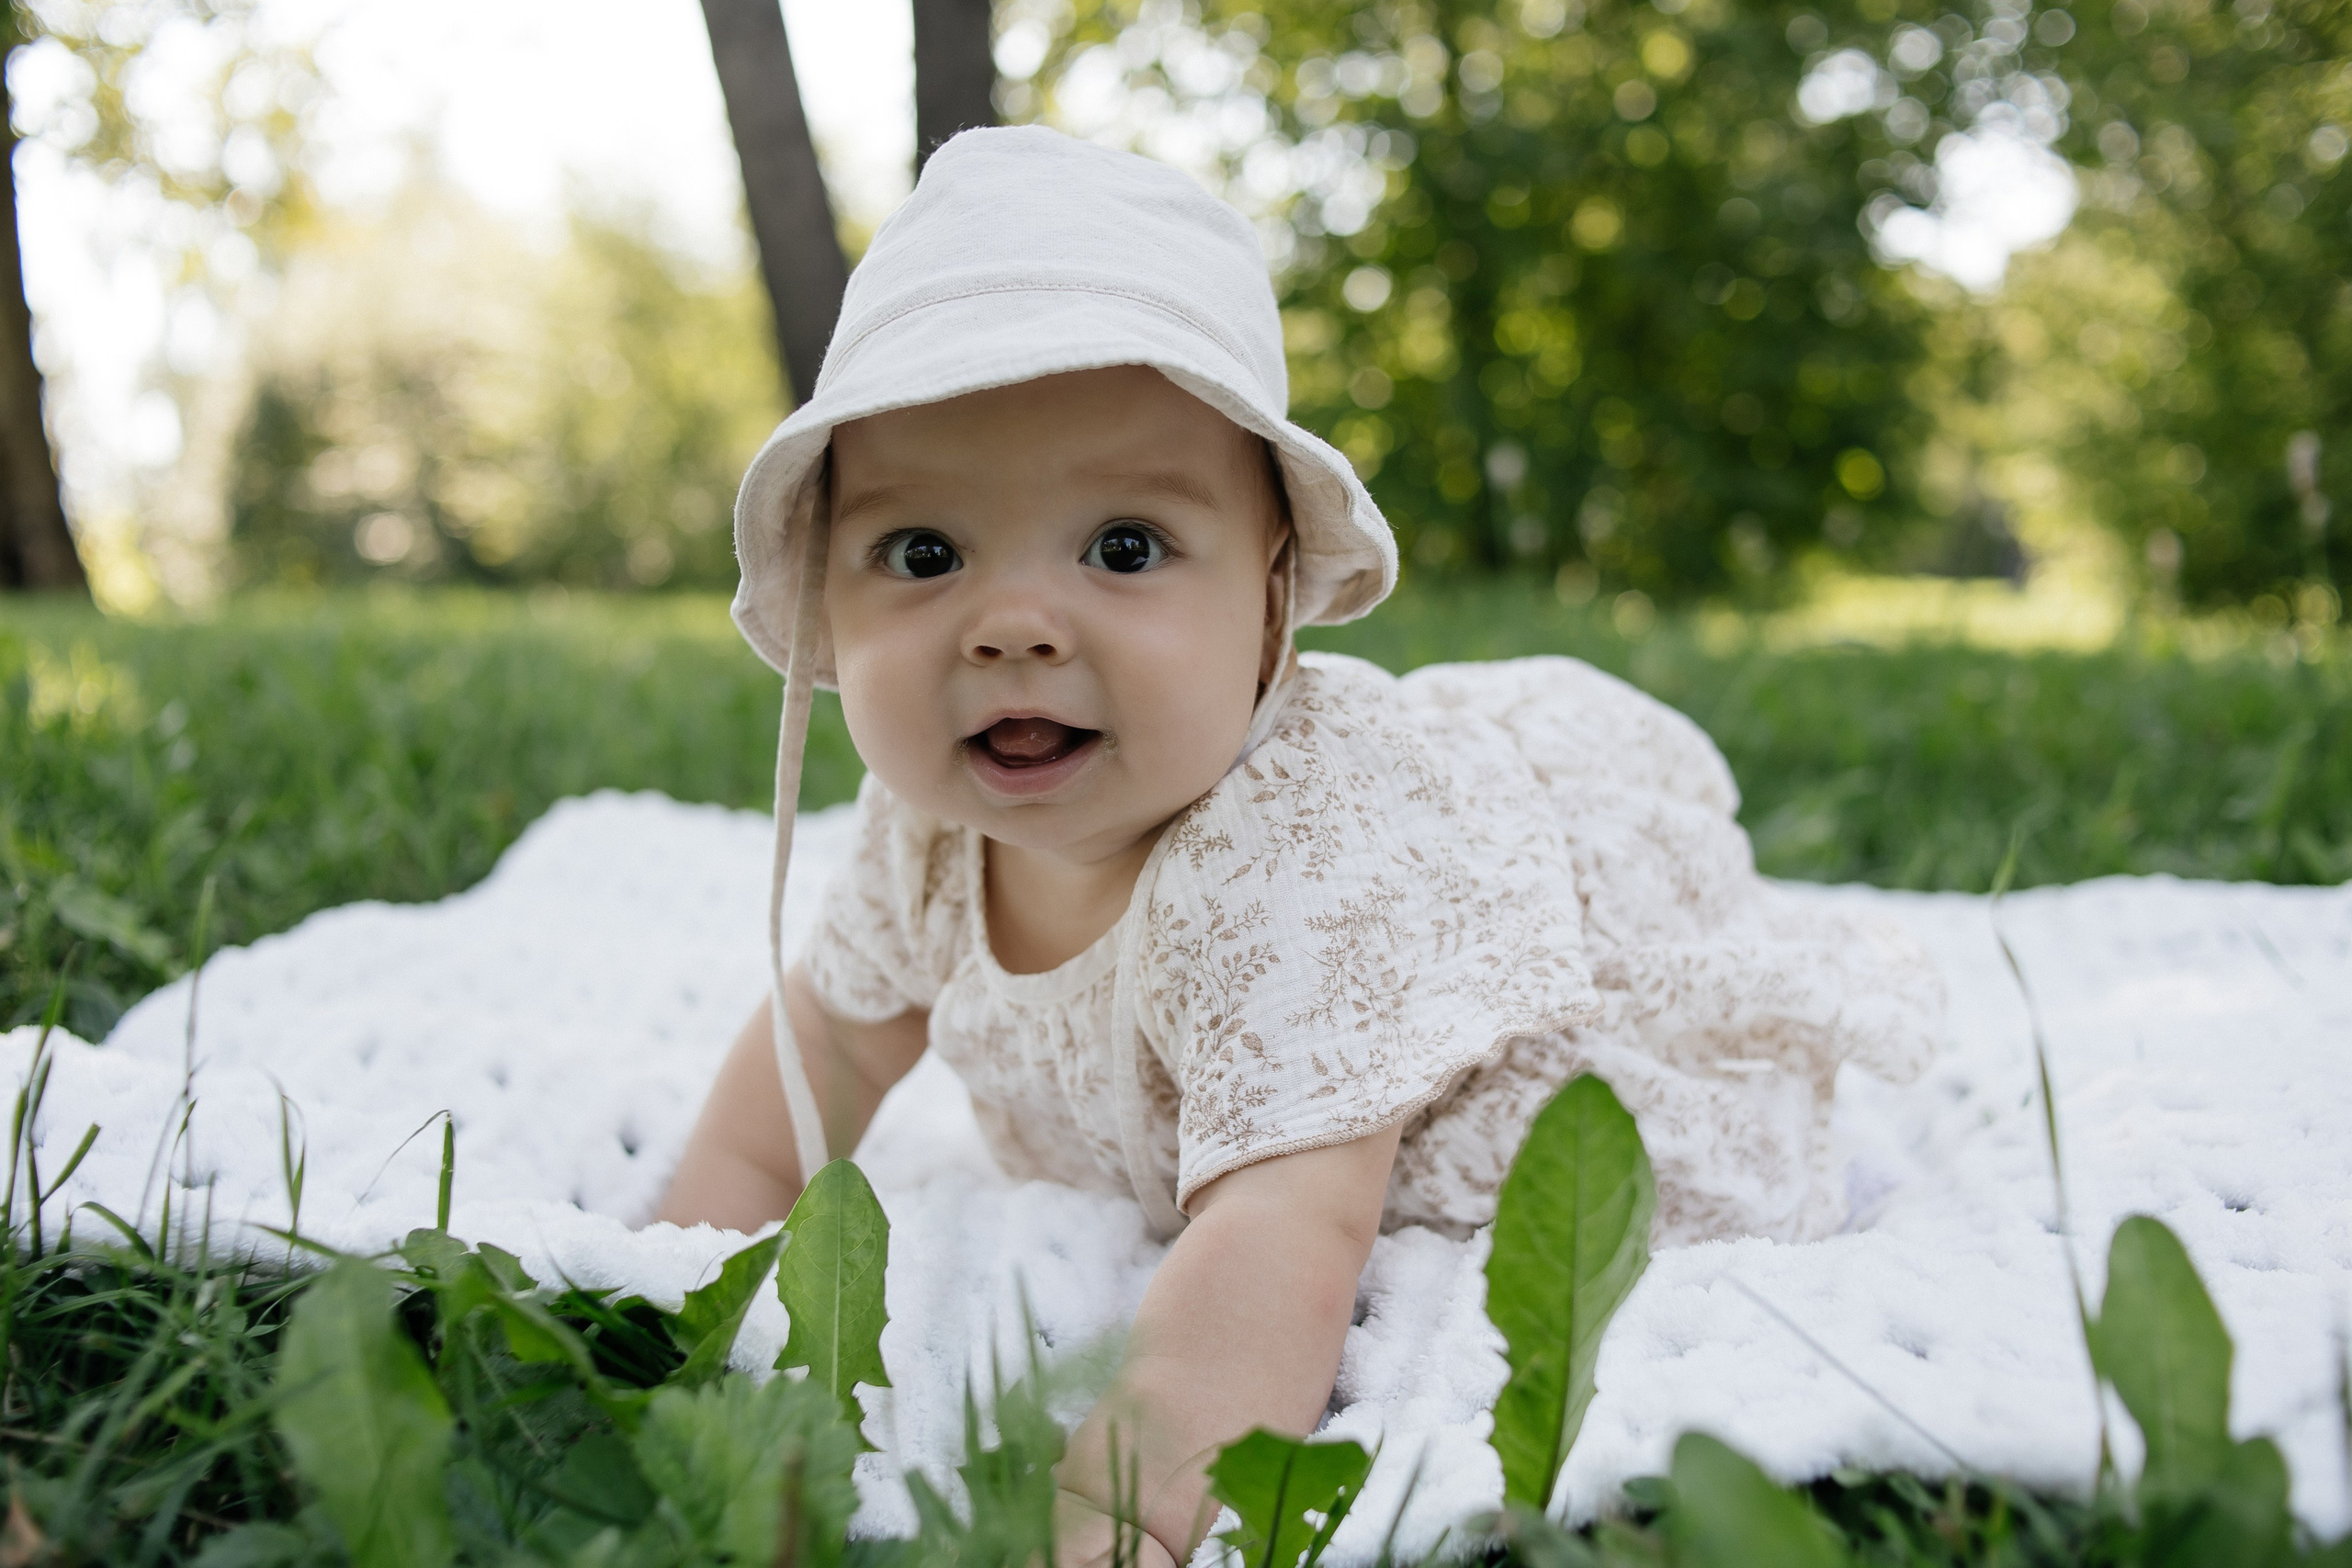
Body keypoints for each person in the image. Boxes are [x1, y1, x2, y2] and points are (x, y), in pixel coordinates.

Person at [657, 126, 1941, 1567]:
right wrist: (672, 1285)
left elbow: (1284, 1240)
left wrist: (1113, 1518)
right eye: (925, 554)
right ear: (825, 602)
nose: (1012, 624)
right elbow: (814, 1056)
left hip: (1472, 1091)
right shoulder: (922, 835)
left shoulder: (1292, 863)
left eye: (1125, 547)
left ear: (1273, 603)